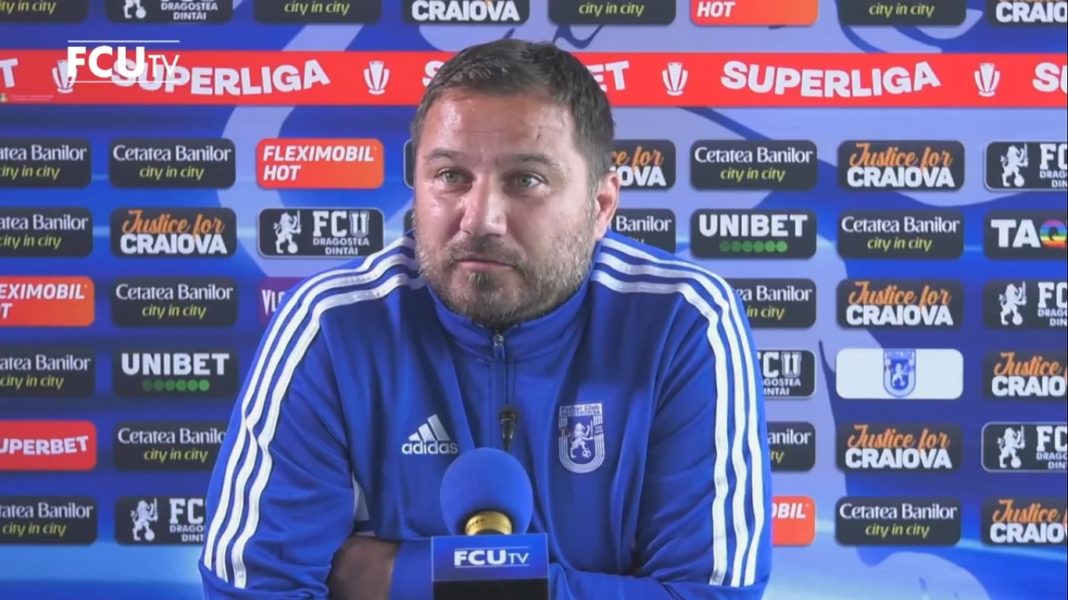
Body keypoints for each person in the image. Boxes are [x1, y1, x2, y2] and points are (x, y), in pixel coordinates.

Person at [199, 38, 771, 599]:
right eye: (451, 176)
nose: (480, 219)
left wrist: (404, 577)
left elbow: (711, 595)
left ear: (600, 206)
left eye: (525, 180)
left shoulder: (682, 321)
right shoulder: (334, 326)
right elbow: (253, 590)